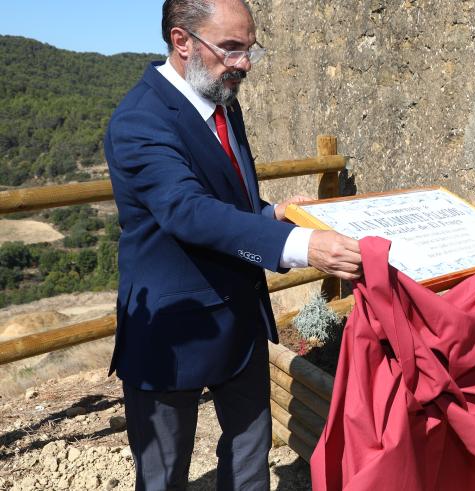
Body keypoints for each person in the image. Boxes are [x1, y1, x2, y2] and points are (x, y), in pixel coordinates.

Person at [104, 1, 361, 488]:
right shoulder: (139, 120)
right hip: (173, 333)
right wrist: (299, 243)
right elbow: (186, 209)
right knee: (163, 473)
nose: (244, 63)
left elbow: (224, 195)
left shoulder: (222, 95)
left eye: (249, 49)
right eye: (231, 48)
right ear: (182, 42)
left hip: (240, 320)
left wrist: (269, 214)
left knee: (249, 459)